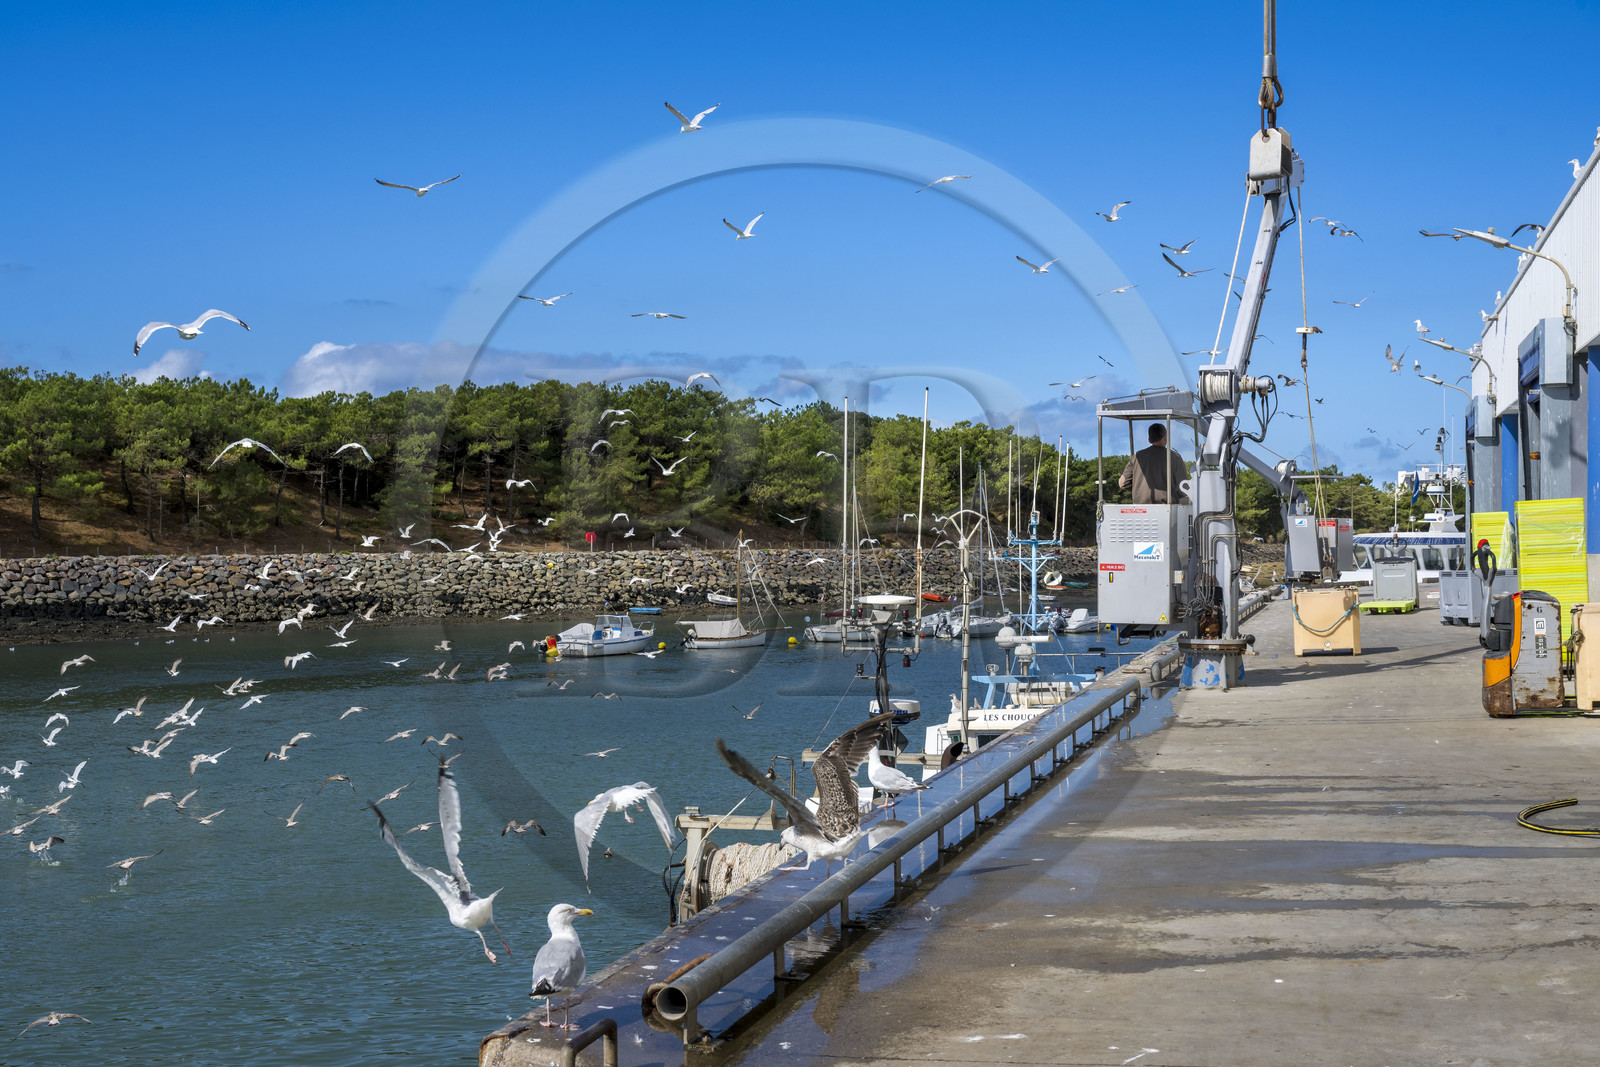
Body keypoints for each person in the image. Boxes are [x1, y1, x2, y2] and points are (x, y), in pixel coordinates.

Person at [1118, 423, 1187, 504]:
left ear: (1149, 440)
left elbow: (1122, 483)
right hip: (1167, 508)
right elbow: (1184, 487)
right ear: (1165, 438)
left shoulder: (1137, 457)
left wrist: (1138, 489)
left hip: (1139, 510)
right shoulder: (1175, 457)